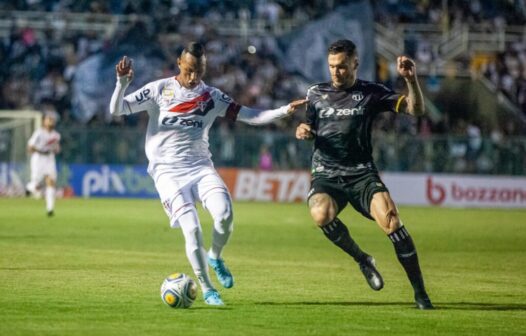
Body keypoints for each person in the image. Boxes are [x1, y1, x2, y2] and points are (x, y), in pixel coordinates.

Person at [109, 42, 306, 306]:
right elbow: (117, 109)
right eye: (189, 70)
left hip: (201, 167)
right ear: (179, 62)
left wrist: (284, 111)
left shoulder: (212, 97)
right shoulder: (159, 90)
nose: (193, 77)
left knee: (224, 215)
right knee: (192, 229)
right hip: (167, 172)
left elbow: (249, 116)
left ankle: (215, 256)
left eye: (198, 72)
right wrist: (122, 83)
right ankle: (207, 288)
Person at [295, 39, 433, 309]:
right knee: (320, 214)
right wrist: (302, 130)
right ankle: (363, 259)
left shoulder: (372, 92)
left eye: (343, 67)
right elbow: (307, 125)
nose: (336, 72)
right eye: (332, 66)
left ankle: (420, 293)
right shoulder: (315, 93)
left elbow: (416, 110)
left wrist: (411, 80)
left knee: (392, 221)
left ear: (355, 64)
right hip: (327, 173)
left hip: (361, 174)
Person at [26, 112, 61, 217]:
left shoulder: (56, 135)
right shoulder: (39, 133)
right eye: (49, 119)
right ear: (44, 121)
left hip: (49, 159)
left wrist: (56, 149)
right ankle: (28, 188)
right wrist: (40, 150)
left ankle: (50, 209)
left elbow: (57, 148)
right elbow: (30, 147)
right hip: (38, 159)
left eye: (52, 119)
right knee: (36, 185)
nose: (51, 121)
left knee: (51, 182)